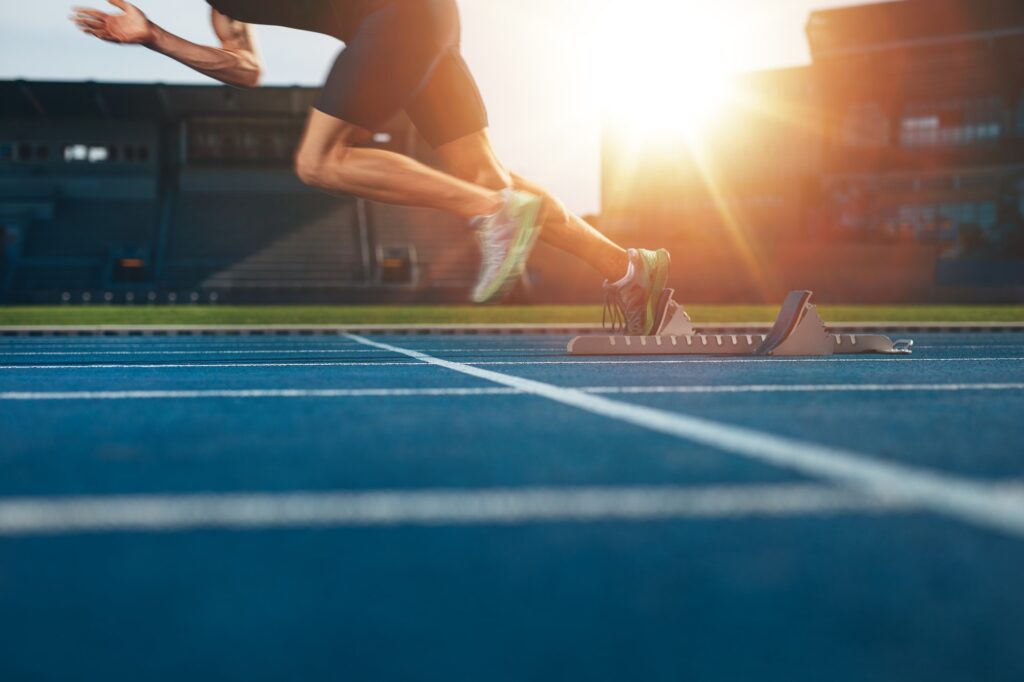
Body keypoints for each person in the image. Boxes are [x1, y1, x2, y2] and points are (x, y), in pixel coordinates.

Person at [71, 0, 671, 333]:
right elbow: (244, 69)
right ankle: (628, 267)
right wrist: (153, 37)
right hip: (424, 24)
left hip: (399, 18)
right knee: (494, 177)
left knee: (320, 162)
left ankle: (490, 214)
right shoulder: (222, 8)